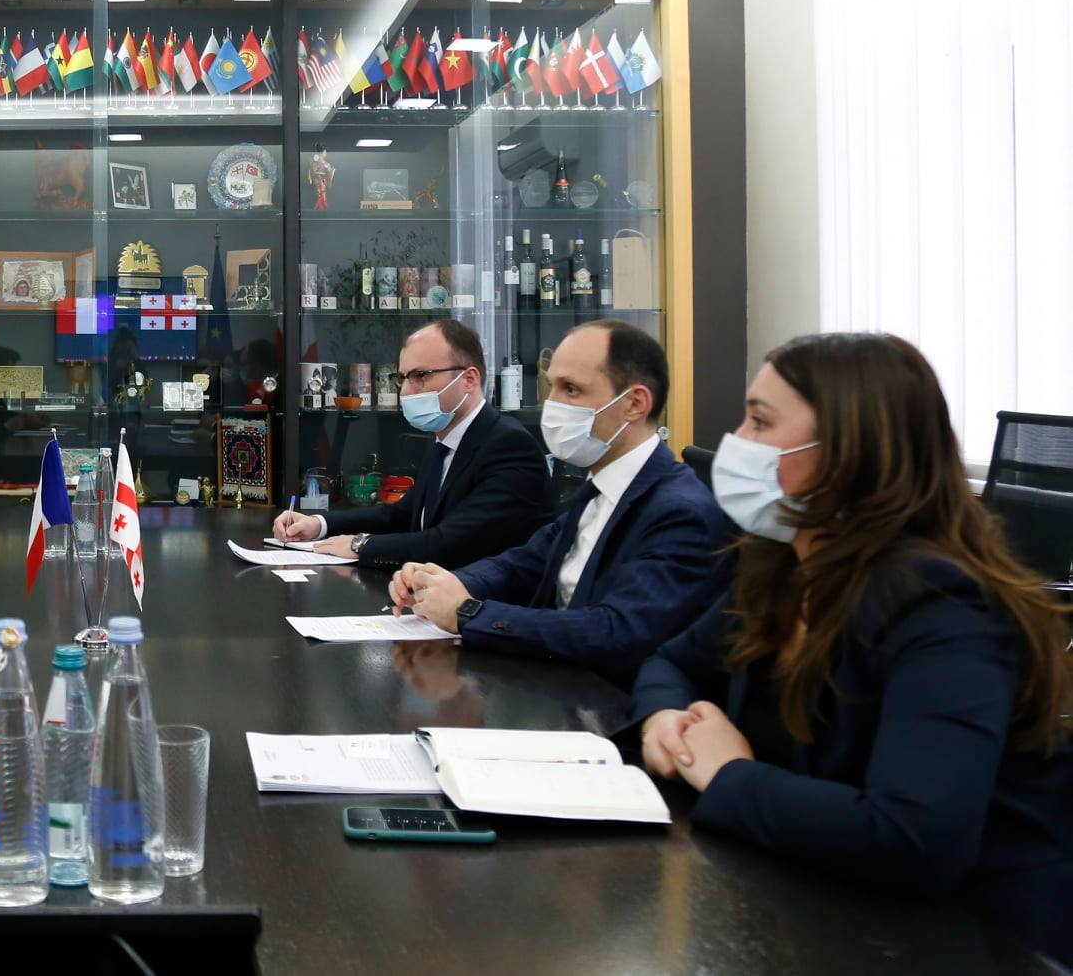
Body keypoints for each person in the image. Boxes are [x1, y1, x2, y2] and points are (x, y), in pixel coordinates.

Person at [634, 333, 1072, 963]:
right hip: (812, 899)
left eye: (761, 422)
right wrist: (664, 719)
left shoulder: (942, 605)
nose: (735, 442)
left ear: (849, 450)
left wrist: (728, 774)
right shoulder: (782, 563)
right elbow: (672, 661)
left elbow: (913, 838)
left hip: (969, 940)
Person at [388, 319, 729, 686]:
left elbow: (615, 631)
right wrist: (442, 582)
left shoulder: (680, 511)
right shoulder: (601, 485)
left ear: (634, 404)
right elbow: (525, 563)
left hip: (610, 703)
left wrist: (467, 612)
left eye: (572, 389)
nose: (552, 405)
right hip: (553, 686)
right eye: (552, 387)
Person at [272, 319, 549, 570]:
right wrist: (319, 524)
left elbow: (452, 543)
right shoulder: (444, 442)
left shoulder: (508, 445)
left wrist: (360, 545)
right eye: (402, 378)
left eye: (420, 376)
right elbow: (400, 516)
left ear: (469, 379)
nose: (405, 391)